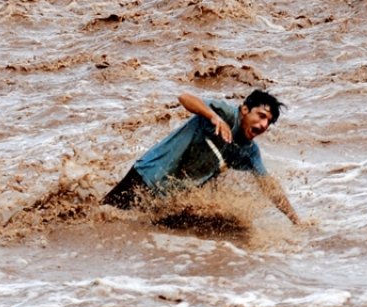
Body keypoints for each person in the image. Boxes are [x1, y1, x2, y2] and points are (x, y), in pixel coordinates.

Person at [102, 89, 300, 225]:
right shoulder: (227, 114)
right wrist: (213, 117)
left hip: (165, 200)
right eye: (261, 116)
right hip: (146, 177)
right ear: (245, 109)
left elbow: (269, 186)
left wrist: (295, 221)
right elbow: (184, 97)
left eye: (269, 122)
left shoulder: (248, 151)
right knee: (103, 217)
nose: (264, 125)